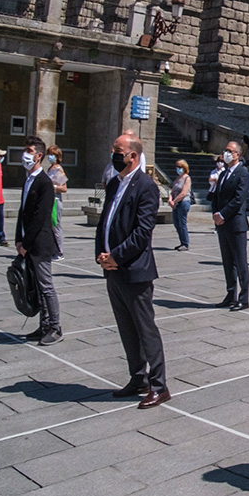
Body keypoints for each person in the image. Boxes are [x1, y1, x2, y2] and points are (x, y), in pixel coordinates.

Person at [97, 132, 168, 407]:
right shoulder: (115, 184)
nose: (114, 155)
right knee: (126, 328)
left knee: (144, 329)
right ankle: (137, 376)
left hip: (135, 270)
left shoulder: (146, 187)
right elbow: (106, 221)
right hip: (112, 269)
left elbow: (142, 233)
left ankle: (159, 385)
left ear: (133, 156)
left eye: (118, 150)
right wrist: (101, 256)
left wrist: (116, 256)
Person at [14, 137, 62, 345]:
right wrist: (18, 239)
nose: (25, 153)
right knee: (36, 285)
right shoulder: (28, 179)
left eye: (29, 150)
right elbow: (23, 211)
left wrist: (27, 243)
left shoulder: (44, 183)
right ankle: (43, 325)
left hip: (40, 243)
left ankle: (55, 326)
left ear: (38, 156)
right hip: (27, 242)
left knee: (46, 285)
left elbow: (40, 216)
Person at [210, 141, 249, 310]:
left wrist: (223, 214)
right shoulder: (224, 173)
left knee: (240, 262)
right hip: (222, 224)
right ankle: (231, 294)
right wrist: (215, 213)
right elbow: (216, 195)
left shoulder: (242, 173)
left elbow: (238, 199)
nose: (225, 153)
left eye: (229, 151)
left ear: (237, 155)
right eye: (225, 150)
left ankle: (244, 298)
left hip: (235, 223)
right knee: (227, 262)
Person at [167, 159, 192, 251]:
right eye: (177, 167)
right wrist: (170, 199)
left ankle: (185, 243)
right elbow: (173, 190)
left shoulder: (187, 178)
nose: (178, 169)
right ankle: (182, 242)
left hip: (183, 202)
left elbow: (183, 193)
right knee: (176, 223)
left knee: (182, 223)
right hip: (176, 203)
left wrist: (174, 201)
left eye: (180, 167)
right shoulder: (177, 178)